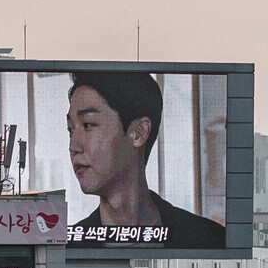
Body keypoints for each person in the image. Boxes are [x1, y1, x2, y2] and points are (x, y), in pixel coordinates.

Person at [68, 68, 226, 250]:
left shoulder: (208, 239)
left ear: (138, 133)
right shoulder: (69, 249)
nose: (73, 147)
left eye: (88, 125)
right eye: (70, 129)